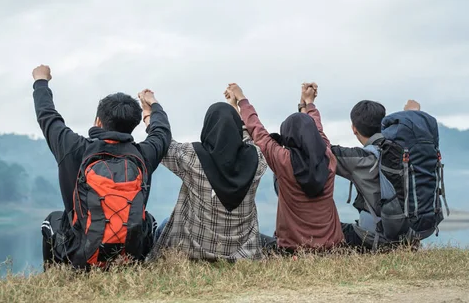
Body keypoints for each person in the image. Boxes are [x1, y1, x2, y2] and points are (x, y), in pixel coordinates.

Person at [32, 65, 172, 269]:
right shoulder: (144, 155)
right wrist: (152, 106)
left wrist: (40, 81)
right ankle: (136, 265)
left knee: (51, 221)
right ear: (134, 124)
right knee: (149, 221)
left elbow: (47, 116)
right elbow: (162, 132)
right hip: (131, 254)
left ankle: (56, 275)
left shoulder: (73, 147)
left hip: (81, 256)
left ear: (98, 121)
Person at [147, 93, 268, 262]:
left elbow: (162, 144)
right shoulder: (257, 160)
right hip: (243, 256)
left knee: (163, 223)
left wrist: (151, 110)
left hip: (193, 252)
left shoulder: (192, 157)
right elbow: (247, 138)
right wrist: (235, 106)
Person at [226, 82, 344, 252]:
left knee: (255, 238)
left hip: (293, 248)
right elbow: (317, 129)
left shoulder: (284, 160)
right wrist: (307, 103)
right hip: (332, 246)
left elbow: (258, 132)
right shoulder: (328, 157)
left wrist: (241, 100)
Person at [331, 99, 423, 251]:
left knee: (321, 230)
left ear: (354, 128)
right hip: (409, 236)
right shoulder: (402, 150)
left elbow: (317, 146)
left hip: (375, 240)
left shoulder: (360, 159)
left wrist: (306, 105)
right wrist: (413, 114)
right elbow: (414, 135)